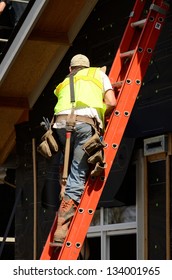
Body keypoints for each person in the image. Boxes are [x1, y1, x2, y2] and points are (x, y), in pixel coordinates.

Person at [51, 54, 117, 246]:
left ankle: (63, 191)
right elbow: (112, 102)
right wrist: (100, 116)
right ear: (88, 66)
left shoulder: (63, 82)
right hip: (83, 125)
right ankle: (62, 227)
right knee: (78, 173)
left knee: (67, 164)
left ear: (70, 69)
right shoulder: (98, 74)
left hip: (61, 125)